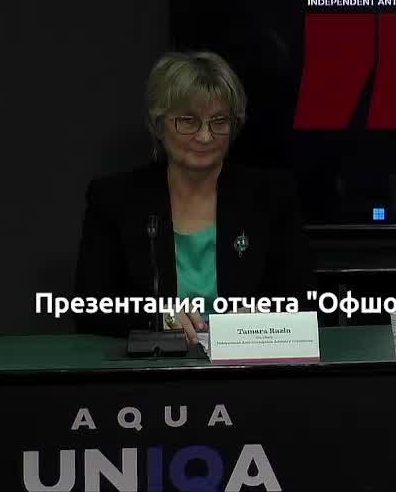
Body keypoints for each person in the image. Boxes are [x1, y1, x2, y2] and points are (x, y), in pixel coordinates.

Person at [73, 50, 313, 344]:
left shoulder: (271, 196)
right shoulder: (115, 199)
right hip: (155, 364)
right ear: (158, 125)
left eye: (219, 121)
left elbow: (303, 301)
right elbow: (89, 308)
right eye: (188, 121)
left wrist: (263, 317)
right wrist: (157, 320)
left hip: (247, 362)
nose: (205, 136)